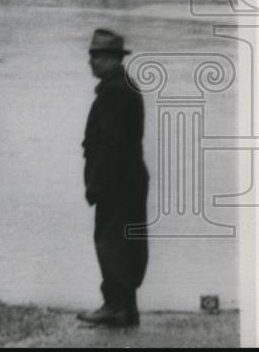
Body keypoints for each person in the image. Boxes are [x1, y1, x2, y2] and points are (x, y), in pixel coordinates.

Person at [78, 29, 149, 328]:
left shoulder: (114, 91)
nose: (91, 62)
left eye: (97, 57)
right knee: (124, 242)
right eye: (91, 56)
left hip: (117, 181)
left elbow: (110, 145)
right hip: (129, 178)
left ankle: (116, 307)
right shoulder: (121, 86)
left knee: (110, 241)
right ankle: (125, 307)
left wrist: (96, 184)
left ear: (113, 59)